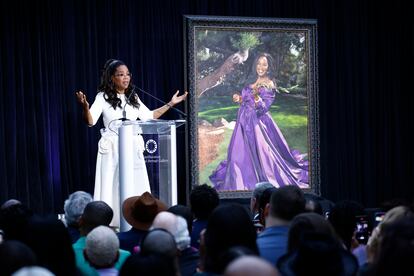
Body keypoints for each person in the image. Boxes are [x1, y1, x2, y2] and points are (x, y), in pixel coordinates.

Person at [75, 59, 188, 227]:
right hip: (113, 147)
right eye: (121, 75)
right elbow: (90, 121)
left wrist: (171, 104)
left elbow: (149, 117)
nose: (125, 78)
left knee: (134, 183)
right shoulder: (103, 97)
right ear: (112, 78)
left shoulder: (133, 96)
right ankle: (112, 222)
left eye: (127, 74)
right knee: (112, 186)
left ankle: (137, 218)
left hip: (132, 146)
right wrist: (85, 107)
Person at [209, 53, 308, 191]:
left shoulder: (269, 84)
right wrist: (239, 99)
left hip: (258, 125)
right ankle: (238, 179)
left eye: (264, 64)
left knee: (262, 155)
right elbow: (246, 101)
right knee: (238, 154)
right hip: (243, 121)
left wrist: (256, 96)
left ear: (268, 67)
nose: (261, 67)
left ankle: (254, 179)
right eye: (259, 63)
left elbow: (262, 109)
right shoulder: (253, 79)